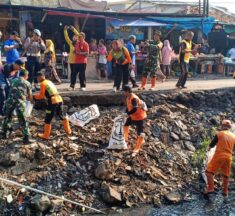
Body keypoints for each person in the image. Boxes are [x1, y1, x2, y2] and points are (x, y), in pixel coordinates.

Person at [34, 71, 71, 140]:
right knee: (62, 115)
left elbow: (41, 96)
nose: (37, 79)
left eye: (37, 78)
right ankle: (68, 131)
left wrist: (34, 97)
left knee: (48, 119)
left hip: (53, 101)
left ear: (39, 77)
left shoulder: (43, 83)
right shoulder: (49, 82)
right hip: (59, 99)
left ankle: (46, 135)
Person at [204, 120, 235, 201]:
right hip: (229, 157)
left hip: (219, 155)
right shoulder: (233, 136)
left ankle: (210, 188)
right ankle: (225, 191)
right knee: (226, 175)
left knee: (209, 172)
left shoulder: (220, 134)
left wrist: (208, 148)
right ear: (230, 127)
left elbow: (212, 144)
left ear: (222, 126)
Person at [1, 69, 33, 144]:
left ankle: (5, 134)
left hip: (10, 101)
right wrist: (32, 101)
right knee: (23, 119)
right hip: (20, 102)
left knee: (7, 117)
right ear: (26, 75)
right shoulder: (27, 83)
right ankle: (26, 138)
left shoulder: (13, 80)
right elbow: (30, 95)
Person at [123, 85, 147, 154]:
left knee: (140, 132)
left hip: (139, 116)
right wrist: (126, 112)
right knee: (126, 124)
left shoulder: (134, 98)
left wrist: (128, 114)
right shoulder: (128, 97)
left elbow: (135, 109)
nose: (124, 93)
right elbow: (128, 106)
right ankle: (125, 138)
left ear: (127, 91)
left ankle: (137, 148)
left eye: (124, 92)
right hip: (133, 115)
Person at [64, 25, 79, 91]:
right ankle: (72, 85)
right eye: (73, 37)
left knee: (74, 73)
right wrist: (65, 30)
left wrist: (73, 29)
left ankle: (73, 85)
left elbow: (79, 35)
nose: (74, 37)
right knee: (73, 73)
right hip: (71, 61)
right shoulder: (70, 43)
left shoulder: (78, 43)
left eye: (75, 37)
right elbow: (66, 37)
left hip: (77, 61)